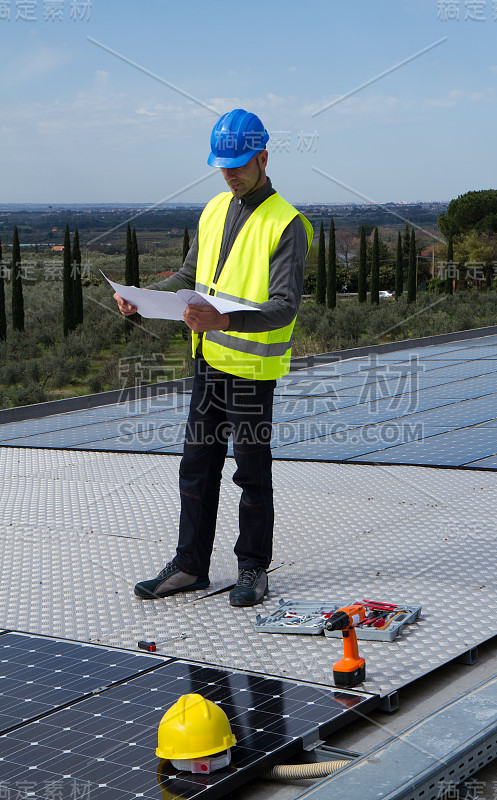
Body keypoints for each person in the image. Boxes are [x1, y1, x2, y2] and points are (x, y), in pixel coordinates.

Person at [115, 108, 313, 606]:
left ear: (264, 158)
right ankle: (189, 567)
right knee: (196, 467)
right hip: (208, 362)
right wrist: (143, 296)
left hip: (250, 369)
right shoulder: (212, 210)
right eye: (222, 165)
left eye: (239, 163)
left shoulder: (287, 224)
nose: (229, 173)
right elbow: (189, 277)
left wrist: (223, 322)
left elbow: (284, 307)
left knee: (250, 472)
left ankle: (252, 570)